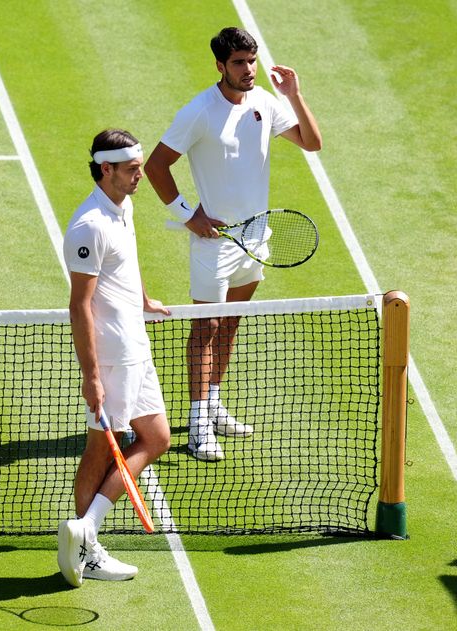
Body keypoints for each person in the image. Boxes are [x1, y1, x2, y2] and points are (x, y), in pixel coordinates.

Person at [144, 26, 322, 461]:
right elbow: (156, 165)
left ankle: (214, 403)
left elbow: (312, 143)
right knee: (205, 330)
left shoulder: (264, 102)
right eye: (239, 63)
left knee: (231, 326)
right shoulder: (199, 112)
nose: (248, 70)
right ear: (220, 66)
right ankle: (198, 424)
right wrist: (189, 215)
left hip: (256, 237)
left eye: (252, 61)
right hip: (215, 244)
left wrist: (294, 94)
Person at [57, 129, 172, 587]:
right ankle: (87, 544)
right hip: (112, 355)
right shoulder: (89, 226)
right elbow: (79, 304)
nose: (140, 175)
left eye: (140, 166)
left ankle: (86, 529)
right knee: (102, 447)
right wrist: (91, 377)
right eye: (131, 169)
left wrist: (142, 298)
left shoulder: (123, 207)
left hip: (136, 346)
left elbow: (126, 264)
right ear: (105, 169)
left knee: (157, 437)